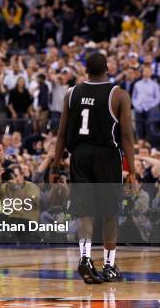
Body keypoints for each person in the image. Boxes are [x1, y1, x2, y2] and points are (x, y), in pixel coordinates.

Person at [52, 52, 135, 284]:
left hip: (79, 155)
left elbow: (60, 134)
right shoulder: (118, 95)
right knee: (110, 212)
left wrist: (56, 165)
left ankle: (86, 258)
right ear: (107, 68)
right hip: (107, 155)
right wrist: (134, 171)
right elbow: (127, 136)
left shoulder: (71, 93)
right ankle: (109, 265)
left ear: (85, 70)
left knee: (85, 211)